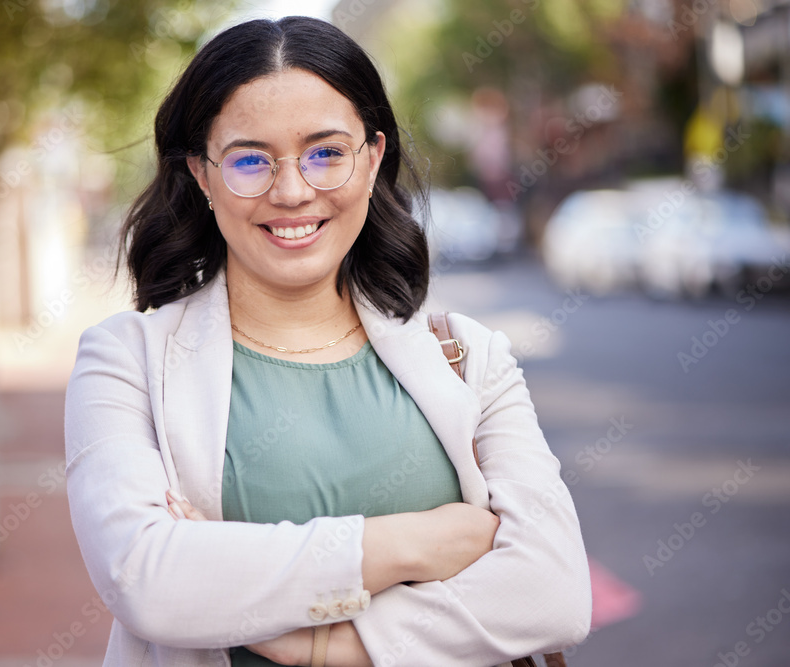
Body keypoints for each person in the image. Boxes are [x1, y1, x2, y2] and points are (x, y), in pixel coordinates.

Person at [65, 15, 590, 667]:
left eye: (325, 153)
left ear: (371, 160)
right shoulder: (126, 362)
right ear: (202, 174)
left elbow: (554, 592)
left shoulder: (467, 356)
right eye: (250, 159)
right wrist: (411, 543)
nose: (291, 190)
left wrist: (328, 645)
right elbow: (144, 577)